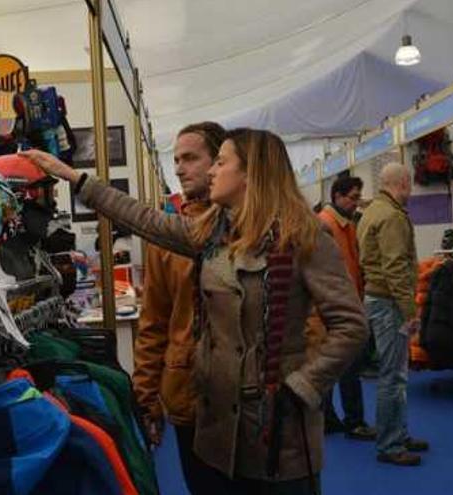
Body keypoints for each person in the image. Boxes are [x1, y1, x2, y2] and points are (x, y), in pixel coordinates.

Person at [21, 128, 368, 493]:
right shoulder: (211, 233)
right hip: (216, 422)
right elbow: (143, 219)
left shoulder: (304, 237)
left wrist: (303, 386)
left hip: (276, 427)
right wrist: (76, 179)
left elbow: (351, 325)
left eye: (221, 162)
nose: (212, 172)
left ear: (252, 172)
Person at [134, 121, 226, 494]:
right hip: (186, 388)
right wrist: (147, 402)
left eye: (190, 158)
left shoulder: (248, 228)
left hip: (245, 394)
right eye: (176, 160)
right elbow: (153, 323)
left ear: (219, 162)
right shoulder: (167, 238)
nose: (179, 168)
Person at [357, 163, 429, 467]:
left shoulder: (373, 211)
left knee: (393, 373)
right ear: (404, 183)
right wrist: (410, 311)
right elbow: (396, 267)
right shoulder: (392, 217)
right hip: (389, 303)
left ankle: (396, 433)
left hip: (377, 298)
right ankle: (390, 443)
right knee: (394, 375)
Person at [308, 176, 376, 441]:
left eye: (358, 197)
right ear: (337, 196)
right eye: (353, 197)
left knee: (335, 367)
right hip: (335, 308)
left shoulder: (344, 224)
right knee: (348, 367)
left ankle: (330, 418)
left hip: (339, 305)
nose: (356, 203)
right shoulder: (326, 225)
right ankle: (353, 421)